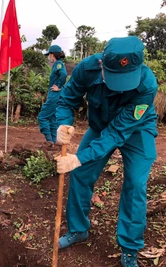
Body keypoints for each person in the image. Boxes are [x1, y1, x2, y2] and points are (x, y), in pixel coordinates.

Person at [54, 36, 157, 267]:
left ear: (138, 68)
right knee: (81, 174)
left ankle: (130, 247)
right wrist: (63, 123)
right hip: (100, 125)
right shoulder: (86, 68)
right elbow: (67, 99)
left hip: (136, 129)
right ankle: (78, 230)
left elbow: (117, 133)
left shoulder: (147, 86)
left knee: (135, 184)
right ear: (102, 64)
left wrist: (79, 157)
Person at [38, 45, 67, 145]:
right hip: (55, 95)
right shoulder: (56, 64)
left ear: (52, 55)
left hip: (55, 95)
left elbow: (63, 75)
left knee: (42, 117)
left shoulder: (58, 64)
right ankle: (53, 141)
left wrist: (59, 86)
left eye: (49, 55)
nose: (48, 57)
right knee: (52, 118)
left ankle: (49, 140)